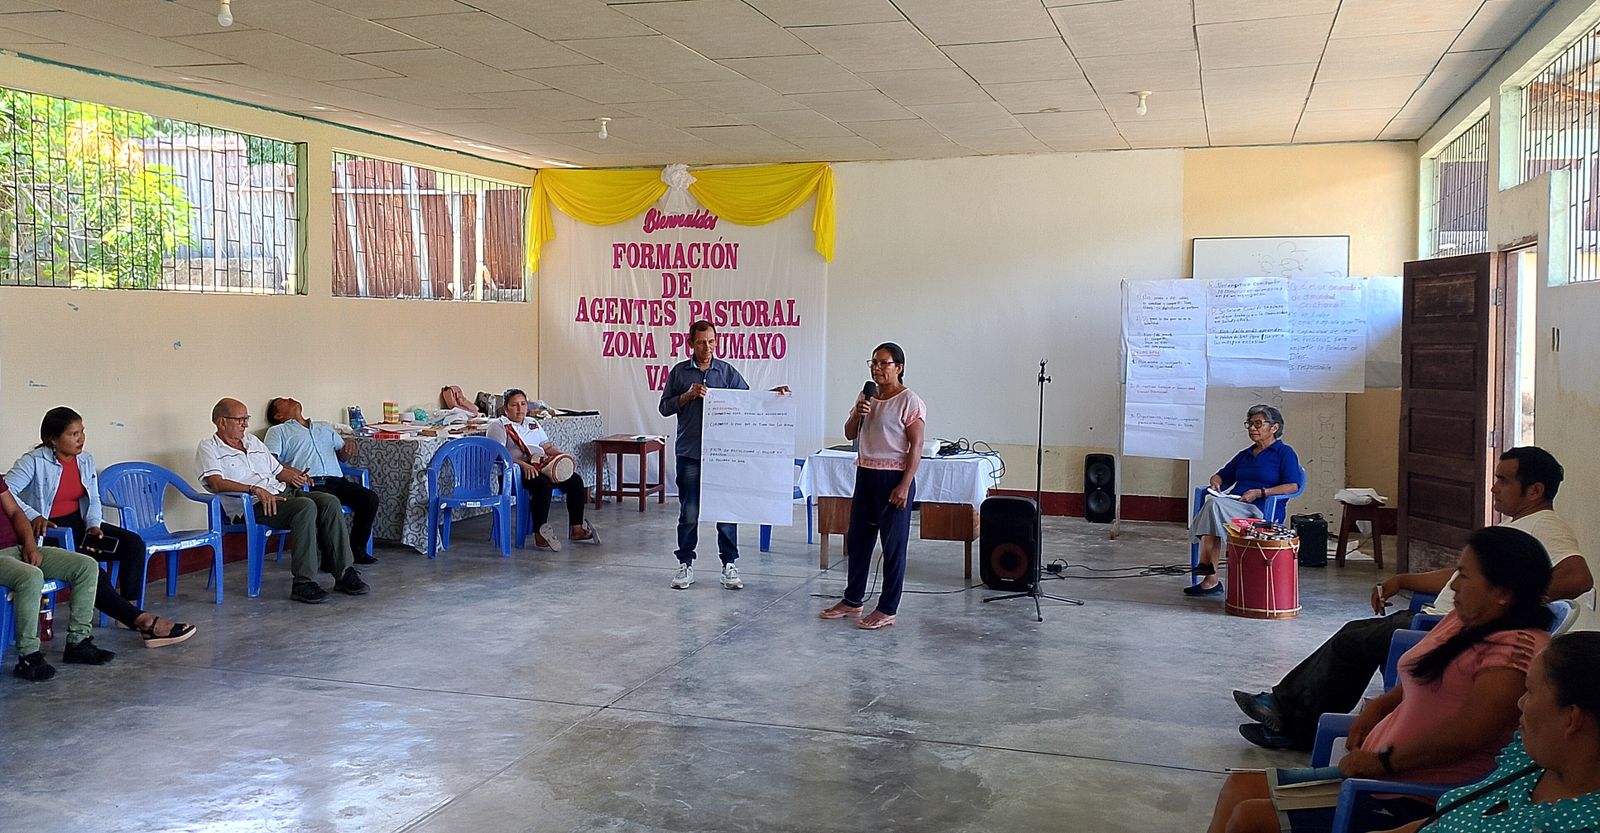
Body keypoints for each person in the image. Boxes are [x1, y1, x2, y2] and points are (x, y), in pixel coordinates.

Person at [1236, 446, 1591, 749]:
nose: (1494, 488)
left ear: (1534, 491)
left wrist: (1513, 604)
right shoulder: (1515, 528)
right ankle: (1292, 718)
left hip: (1443, 628)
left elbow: (1579, 577)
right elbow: (1458, 576)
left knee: (1352, 638)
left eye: (1503, 480)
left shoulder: (1544, 524)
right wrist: (1403, 580)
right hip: (1444, 620)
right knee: (1356, 639)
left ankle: (1289, 719)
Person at [1207, 526, 1557, 833]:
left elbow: (1468, 736)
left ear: (1503, 591)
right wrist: (1376, 711)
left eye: (1465, 575)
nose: (1454, 584)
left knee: (1250, 817)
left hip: (1416, 792)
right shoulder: (1468, 619)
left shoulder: (1513, 653)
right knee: (1239, 785)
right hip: (1383, 775)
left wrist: (1383, 761)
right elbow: (1425, 679)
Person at [5, 407, 195, 648]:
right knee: (94, 571)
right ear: (52, 439)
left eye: (82, 432)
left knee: (132, 544)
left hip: (80, 527)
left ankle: (127, 613)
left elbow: (93, 499)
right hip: (51, 533)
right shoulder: (33, 462)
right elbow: (6, 490)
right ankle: (143, 623)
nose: (81, 439)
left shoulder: (85, 460)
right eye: (73, 434)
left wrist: (94, 524)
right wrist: (33, 516)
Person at [1375, 631, 1600, 833]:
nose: (1520, 703)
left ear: (1571, 718)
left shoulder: (1581, 823)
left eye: (1530, 692)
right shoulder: (1532, 762)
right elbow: (1443, 821)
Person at [657, 319, 790, 591]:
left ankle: (728, 564)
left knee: (726, 510)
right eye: (702, 342)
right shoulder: (680, 373)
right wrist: (686, 396)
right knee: (689, 510)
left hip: (722, 455)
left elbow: (749, 402)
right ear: (690, 343)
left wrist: (774, 396)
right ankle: (685, 563)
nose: (707, 348)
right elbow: (664, 408)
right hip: (690, 453)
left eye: (712, 342)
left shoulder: (726, 372)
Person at [197, 397, 368, 604]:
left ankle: (344, 572)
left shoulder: (253, 442)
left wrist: (296, 476)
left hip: (282, 494)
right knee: (305, 507)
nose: (245, 424)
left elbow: (278, 471)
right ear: (222, 422)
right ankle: (303, 582)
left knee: (328, 501)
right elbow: (216, 483)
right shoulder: (209, 448)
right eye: (240, 420)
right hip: (253, 505)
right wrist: (254, 489)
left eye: (246, 419)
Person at [819, 342, 925, 631]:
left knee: (892, 548)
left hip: (893, 480)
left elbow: (916, 447)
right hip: (865, 475)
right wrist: (857, 412)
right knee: (858, 541)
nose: (876, 368)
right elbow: (850, 433)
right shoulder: (867, 396)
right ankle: (853, 599)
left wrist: (904, 485)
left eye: (883, 363)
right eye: (873, 363)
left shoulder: (910, 401)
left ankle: (888, 608)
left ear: (899, 367)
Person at [0, 475, 113, 681]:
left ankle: (78, 642)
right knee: (31, 576)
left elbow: (15, 512)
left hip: (17, 549)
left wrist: (30, 545)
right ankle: (28, 656)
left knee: (85, 565)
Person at [1186, 404, 1306, 597]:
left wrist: (1261, 492)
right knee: (1214, 506)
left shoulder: (1284, 453)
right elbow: (1223, 475)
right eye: (1249, 424)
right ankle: (1210, 575)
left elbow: (1292, 486)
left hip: (1260, 510)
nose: (1252, 428)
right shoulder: (1246, 454)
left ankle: (1209, 573)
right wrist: (1216, 482)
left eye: (1258, 424)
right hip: (1235, 505)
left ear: (1274, 428)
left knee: (1213, 507)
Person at [264, 397, 379, 565]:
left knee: (369, 499)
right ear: (278, 416)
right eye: (284, 401)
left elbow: (342, 456)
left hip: (337, 480)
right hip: (310, 483)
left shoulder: (323, 427)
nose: (290, 399)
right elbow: (270, 461)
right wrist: (293, 472)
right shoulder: (278, 431)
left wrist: (347, 451)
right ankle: (330, 557)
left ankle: (356, 549)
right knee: (327, 504)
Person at [486, 389, 597, 552]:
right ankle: (539, 533)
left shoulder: (532, 422)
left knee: (575, 481)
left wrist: (563, 455)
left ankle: (577, 529)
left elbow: (547, 447)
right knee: (543, 485)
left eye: (523, 404)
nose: (520, 409)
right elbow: (499, 456)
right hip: (516, 473)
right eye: (514, 405)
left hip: (540, 467)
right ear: (505, 408)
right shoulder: (499, 426)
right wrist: (523, 465)